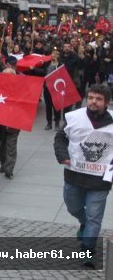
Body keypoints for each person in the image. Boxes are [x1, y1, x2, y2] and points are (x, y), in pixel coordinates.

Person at [54, 84, 113, 268]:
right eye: (91, 98)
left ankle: (88, 251)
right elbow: (60, 138)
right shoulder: (74, 117)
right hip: (74, 175)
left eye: (98, 99)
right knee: (73, 207)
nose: (93, 102)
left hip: (100, 180)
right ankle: (83, 223)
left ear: (106, 102)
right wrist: (62, 155)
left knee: (94, 217)